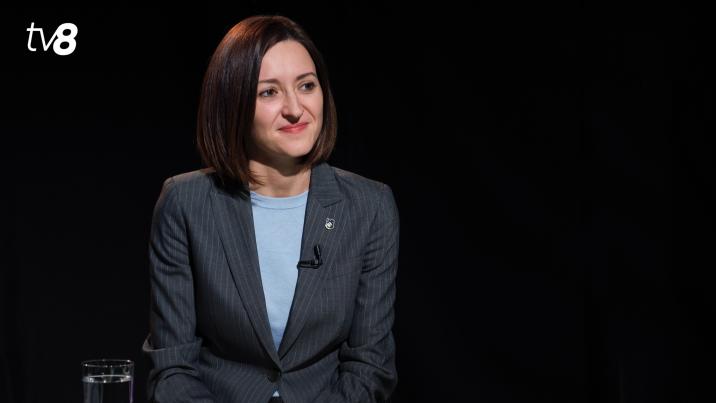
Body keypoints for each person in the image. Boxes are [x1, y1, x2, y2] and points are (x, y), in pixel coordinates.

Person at [141, 15, 400, 403]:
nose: (295, 108)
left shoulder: (370, 207)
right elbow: (173, 367)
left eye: (307, 85)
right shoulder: (184, 202)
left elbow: (369, 367)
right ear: (231, 104)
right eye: (268, 93)